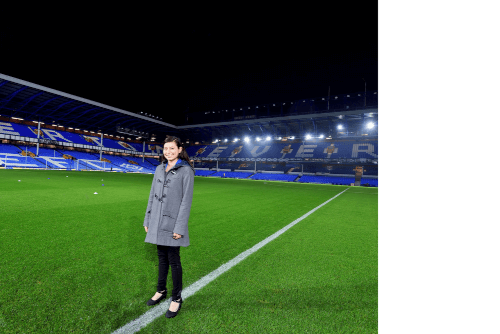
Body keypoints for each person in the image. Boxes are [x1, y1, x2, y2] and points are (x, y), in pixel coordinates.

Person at [143, 136, 195, 318]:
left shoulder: (186, 171)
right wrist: (147, 219)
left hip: (173, 224)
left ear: (180, 150)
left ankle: (177, 298)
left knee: (174, 260)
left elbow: (186, 202)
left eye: (172, 148)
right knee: (161, 257)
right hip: (156, 221)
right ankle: (161, 290)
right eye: (165, 148)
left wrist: (179, 228)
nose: (168, 152)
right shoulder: (159, 169)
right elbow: (152, 196)